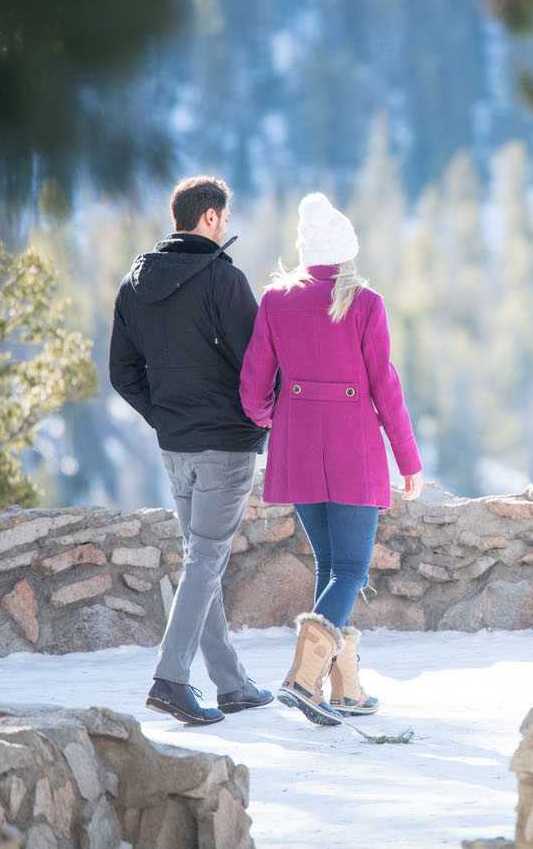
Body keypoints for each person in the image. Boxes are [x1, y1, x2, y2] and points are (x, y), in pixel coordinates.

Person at [239, 192, 424, 727]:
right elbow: (385, 387)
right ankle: (302, 680)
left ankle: (343, 689)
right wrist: (408, 459)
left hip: (297, 449)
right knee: (351, 569)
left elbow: (253, 390)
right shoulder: (364, 303)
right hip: (353, 449)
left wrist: (281, 416)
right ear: (346, 251)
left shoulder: (276, 301)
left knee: (331, 568)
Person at [109, 175, 273, 726]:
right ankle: (170, 680)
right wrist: (262, 421)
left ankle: (230, 684)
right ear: (209, 218)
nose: (227, 227)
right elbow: (258, 368)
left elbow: (122, 373)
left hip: (175, 445)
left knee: (201, 558)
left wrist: (165, 417)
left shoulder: (134, 285)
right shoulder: (223, 281)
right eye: (225, 218)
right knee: (206, 559)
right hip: (225, 444)